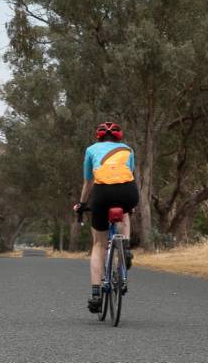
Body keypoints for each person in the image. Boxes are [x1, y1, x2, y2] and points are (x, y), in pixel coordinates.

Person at [74, 121, 138, 313]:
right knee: (125, 213)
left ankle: (95, 294)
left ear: (99, 136)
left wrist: (82, 204)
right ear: (118, 136)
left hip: (102, 194)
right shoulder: (128, 150)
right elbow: (129, 174)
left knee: (99, 244)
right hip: (128, 191)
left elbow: (89, 181)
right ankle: (125, 246)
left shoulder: (91, 150)